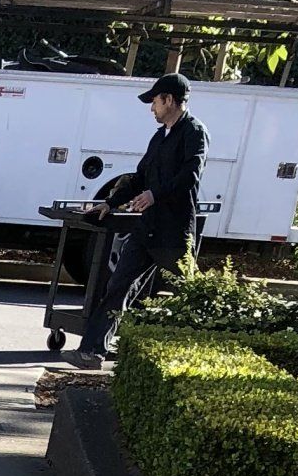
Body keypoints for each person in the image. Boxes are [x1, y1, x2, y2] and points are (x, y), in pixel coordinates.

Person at [73, 73, 208, 365]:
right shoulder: (159, 137)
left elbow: (190, 175)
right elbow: (139, 178)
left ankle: (201, 351)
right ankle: (92, 351)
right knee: (117, 285)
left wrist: (155, 194)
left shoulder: (194, 132)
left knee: (187, 292)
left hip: (173, 230)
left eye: (155, 101)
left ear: (169, 100)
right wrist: (110, 203)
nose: (152, 108)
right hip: (147, 227)